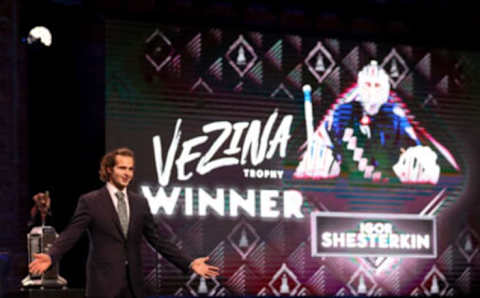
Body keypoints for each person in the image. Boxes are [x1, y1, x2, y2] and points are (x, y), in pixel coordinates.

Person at [29, 147, 219, 298]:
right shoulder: (90, 201)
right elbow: (72, 233)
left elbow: (158, 240)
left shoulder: (140, 202)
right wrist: (52, 255)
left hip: (134, 285)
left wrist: (189, 263)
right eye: (122, 168)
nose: (127, 173)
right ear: (109, 169)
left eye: (130, 168)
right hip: (103, 285)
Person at [294, 60, 453, 184]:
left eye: (377, 85)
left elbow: (415, 148)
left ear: (385, 88)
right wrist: (318, 158)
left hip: (386, 192)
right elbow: (319, 144)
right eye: (368, 85)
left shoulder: (395, 116)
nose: (372, 91)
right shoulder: (342, 112)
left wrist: (421, 160)